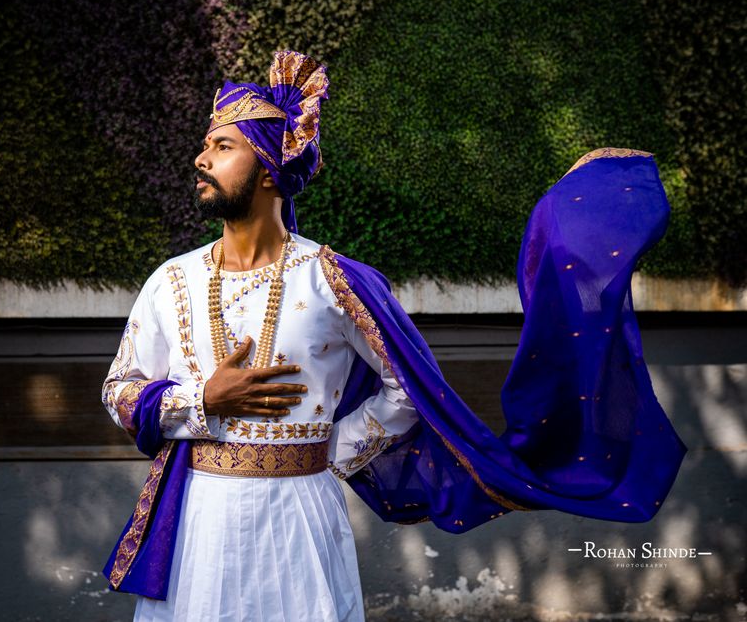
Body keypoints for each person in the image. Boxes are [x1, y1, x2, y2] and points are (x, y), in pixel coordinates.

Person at [100, 50, 687, 622]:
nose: (201, 159)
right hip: (196, 518)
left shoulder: (331, 280)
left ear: (270, 171)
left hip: (301, 515)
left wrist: (330, 454)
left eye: (222, 147)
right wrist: (202, 401)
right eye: (206, 145)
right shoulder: (170, 279)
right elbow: (119, 389)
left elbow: (407, 388)